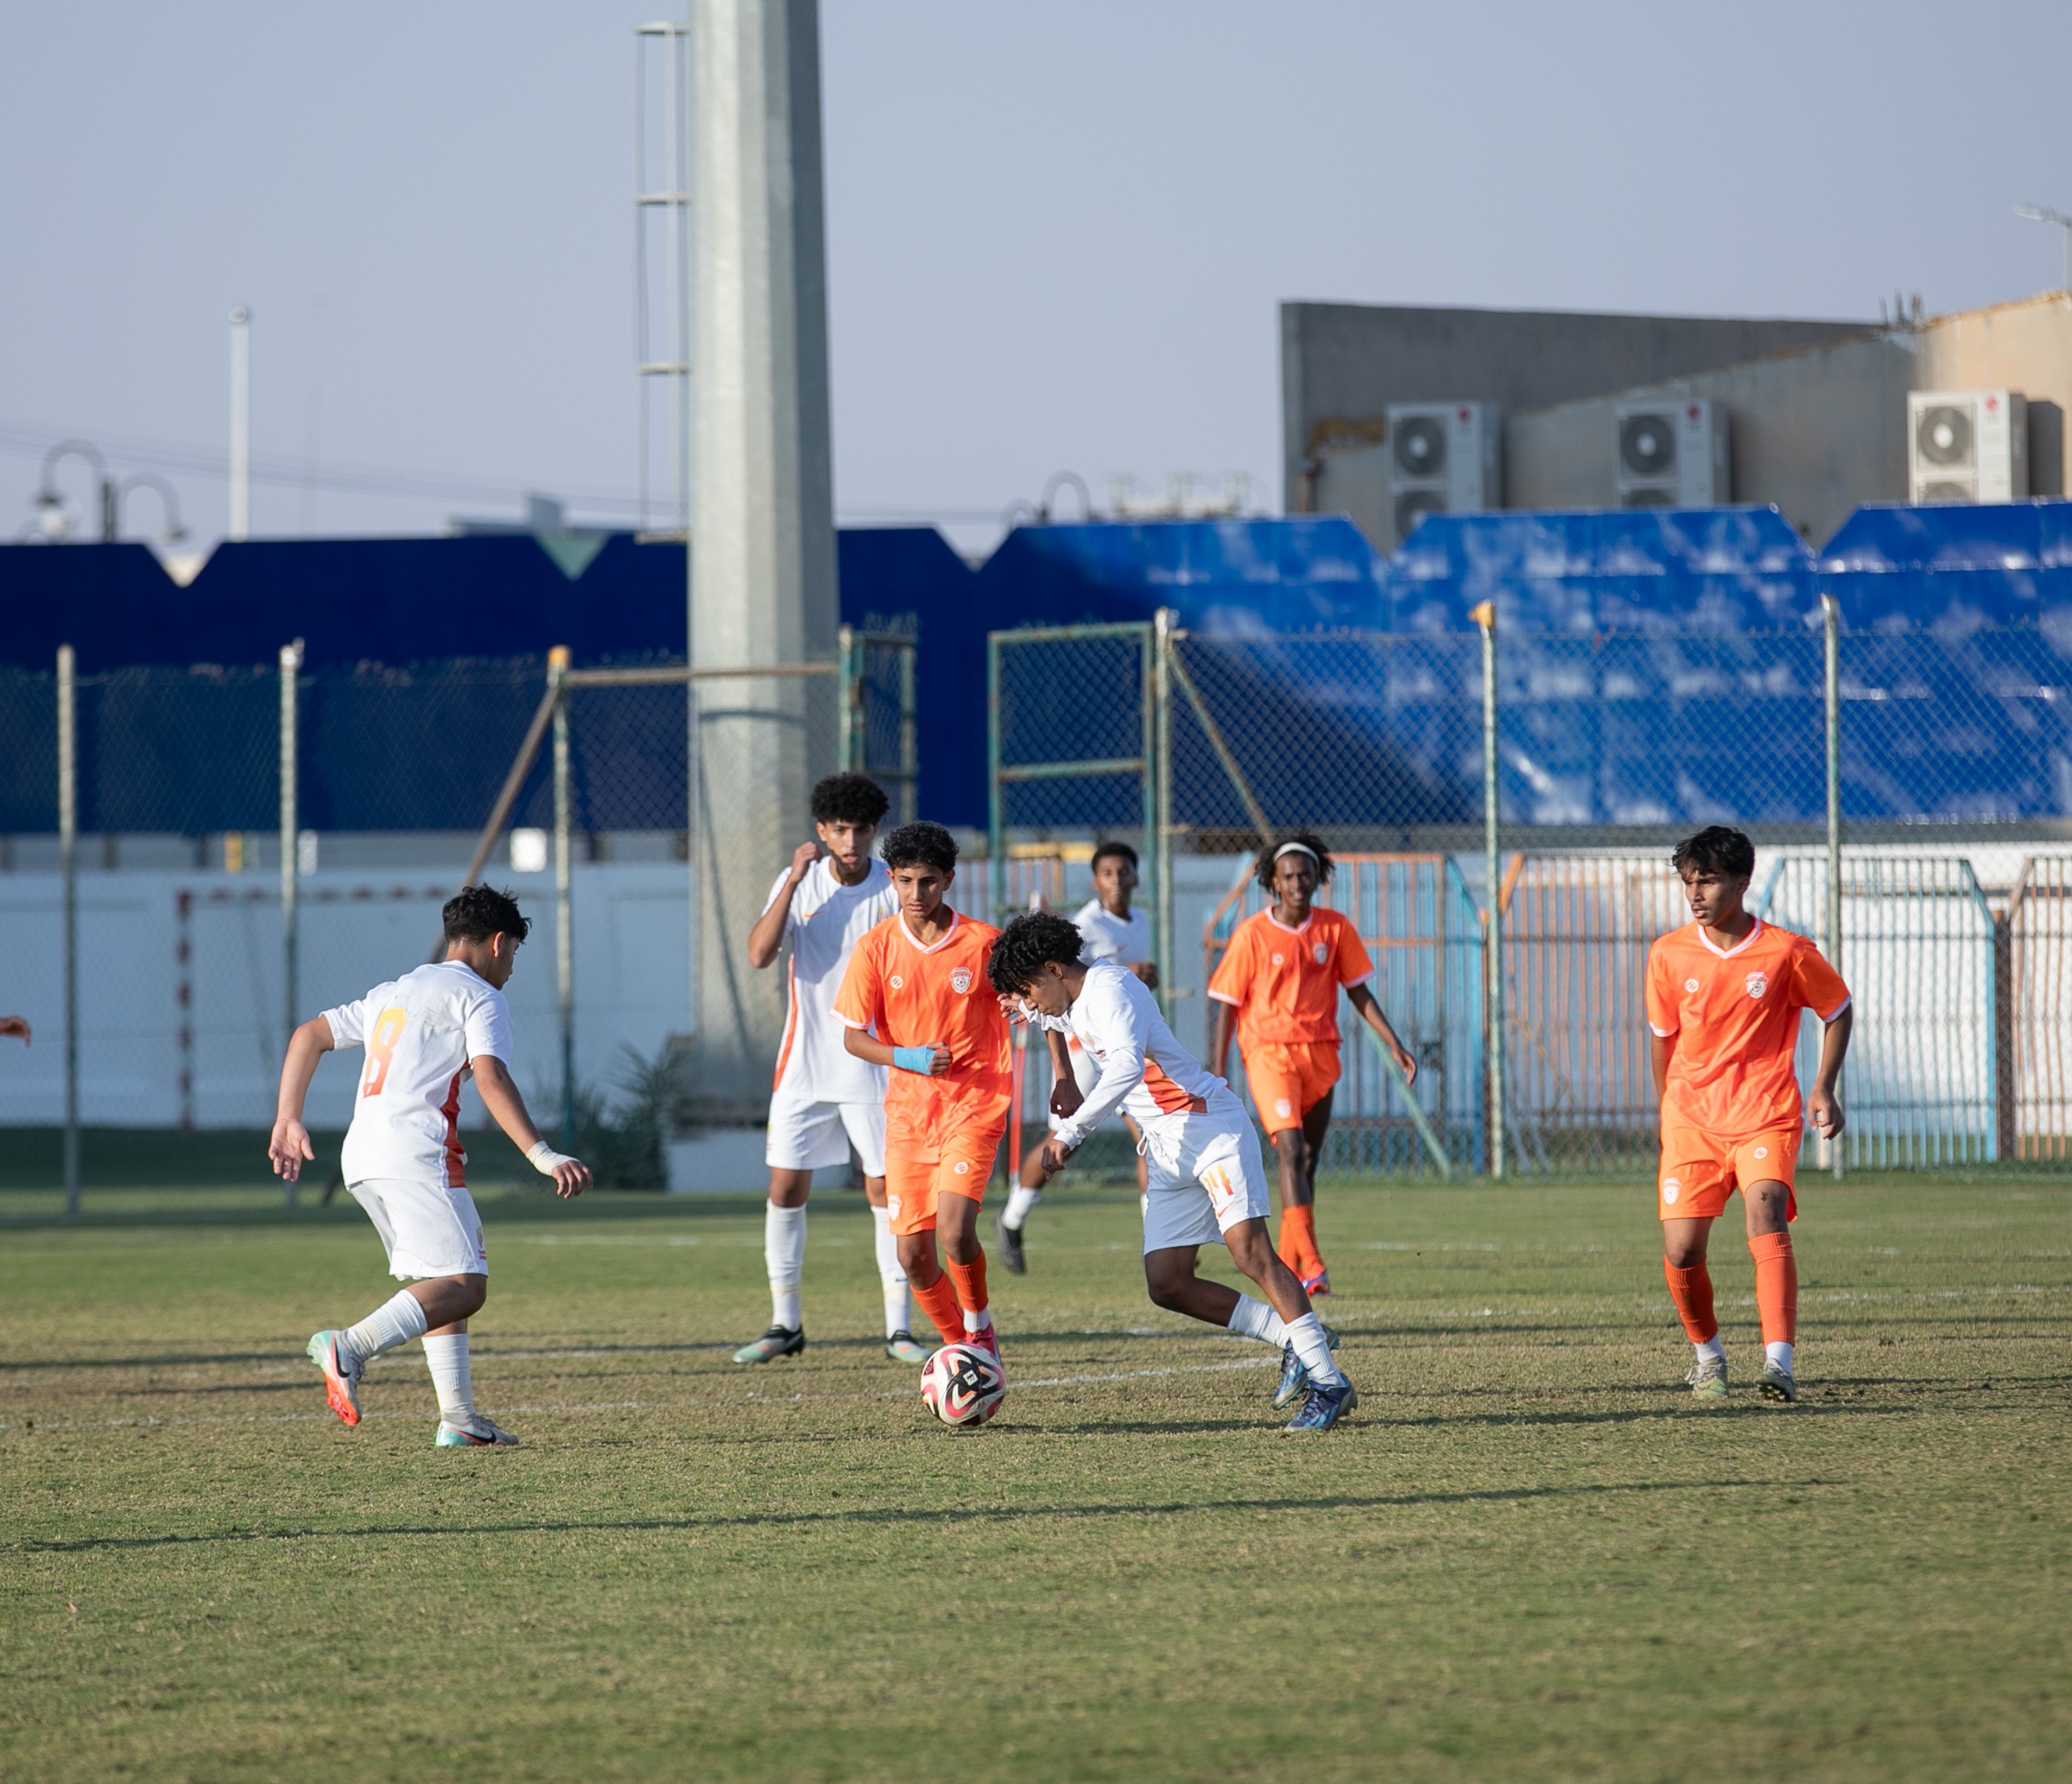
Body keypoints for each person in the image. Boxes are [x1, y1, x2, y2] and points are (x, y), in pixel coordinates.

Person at [989, 911, 1357, 1431]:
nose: (1030, 1003)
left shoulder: (1111, 989)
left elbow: (1126, 1066)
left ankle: (1329, 1382)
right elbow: (1056, 1017)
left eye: (1029, 990)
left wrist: (1070, 1132)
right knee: (1167, 1282)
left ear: (1053, 968)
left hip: (1208, 1130)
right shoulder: (1070, 995)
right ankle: (1292, 1338)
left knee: (1250, 1252)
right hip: (1166, 1148)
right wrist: (1058, 1064)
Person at [269, 885, 591, 1447]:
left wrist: (287, 1118)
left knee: (445, 1276)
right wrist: (543, 1154)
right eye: (513, 953)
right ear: (498, 943)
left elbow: (309, 1035)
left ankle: (459, 1419)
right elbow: (491, 1076)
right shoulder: (479, 997)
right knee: (467, 1285)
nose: (511, 968)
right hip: (415, 1151)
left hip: (363, 1155)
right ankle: (350, 1346)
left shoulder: (395, 990)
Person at [1648, 827, 1852, 1404]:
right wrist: (1668, 1114)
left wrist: (1824, 1086)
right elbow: (1664, 1038)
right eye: (1689, 882)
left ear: (1742, 883)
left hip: (1764, 1112)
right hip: (1691, 1120)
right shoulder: (1667, 954)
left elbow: (1837, 1008)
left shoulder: (1786, 952)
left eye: (1709, 881)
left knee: (1766, 1213)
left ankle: (1778, 1363)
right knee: (1683, 1250)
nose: (1696, 894)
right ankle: (1708, 1358)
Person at [731, 772, 928, 1366]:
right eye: (839, 830)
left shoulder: (893, 888)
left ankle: (899, 1329)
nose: (850, 841)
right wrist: (792, 881)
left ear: (874, 831)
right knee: (786, 1188)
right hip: (805, 1063)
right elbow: (759, 954)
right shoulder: (800, 881)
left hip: (874, 1065)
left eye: (861, 830)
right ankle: (785, 1323)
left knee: (885, 1190)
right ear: (821, 831)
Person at [832, 822, 1011, 1370]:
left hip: (974, 1103)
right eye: (906, 881)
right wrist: (906, 1057)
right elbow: (853, 1036)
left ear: (948, 880)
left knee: (955, 1231)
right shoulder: (876, 947)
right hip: (909, 1116)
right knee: (912, 1255)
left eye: (928, 881)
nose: (917, 893)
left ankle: (979, 1331)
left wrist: (1062, 1073)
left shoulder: (982, 943)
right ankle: (964, 1350)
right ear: (891, 878)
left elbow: (1033, 1000)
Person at [1208, 832, 1416, 1297]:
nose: (1298, 884)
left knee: (1307, 1159)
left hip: (1320, 1053)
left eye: (1305, 875)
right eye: (1288, 877)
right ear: (1273, 882)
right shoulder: (1251, 934)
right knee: (1289, 1151)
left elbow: (1358, 989)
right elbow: (1226, 1004)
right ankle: (1315, 1264)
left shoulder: (1334, 929)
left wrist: (1394, 1043)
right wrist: (1216, 1068)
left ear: (1318, 878)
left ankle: (1290, 1264)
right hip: (1269, 1054)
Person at [995, 838, 1158, 1273]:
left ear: (1135, 877)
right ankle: (1011, 1219)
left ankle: (1159, 1241)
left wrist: (1143, 979)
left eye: (1123, 872)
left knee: (1149, 1136)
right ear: (1095, 881)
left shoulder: (1140, 920)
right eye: (1107, 873)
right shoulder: (1085, 926)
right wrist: (1063, 1074)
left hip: (1120, 1044)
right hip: (1084, 1049)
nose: (1116, 880)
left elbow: (1121, 990)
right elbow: (1055, 996)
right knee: (1064, 1142)